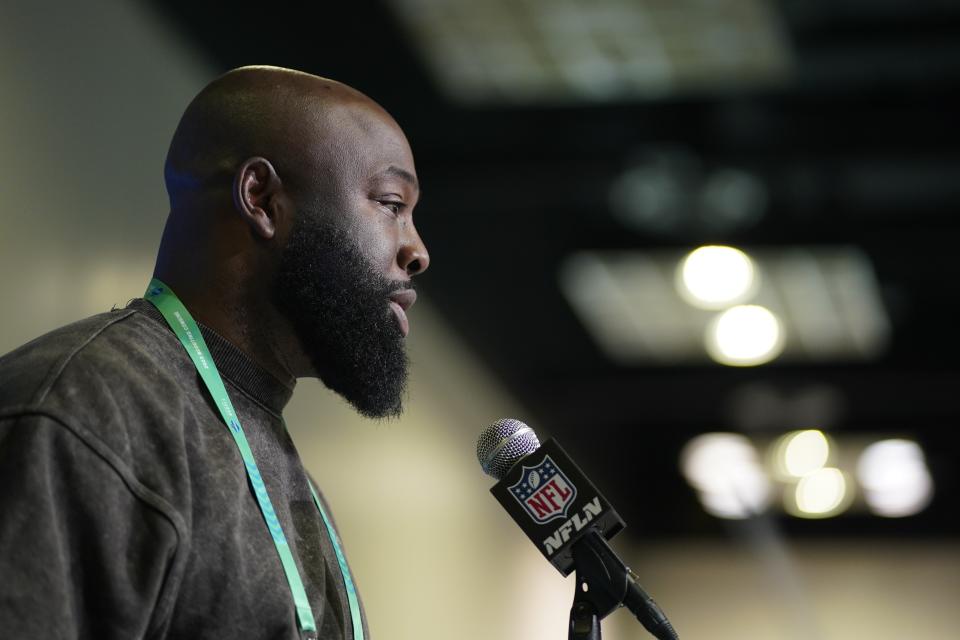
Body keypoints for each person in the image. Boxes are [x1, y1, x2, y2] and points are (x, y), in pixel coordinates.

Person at [0, 65, 429, 639]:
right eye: (391, 203)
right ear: (262, 198)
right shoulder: (84, 411)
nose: (416, 251)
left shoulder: (283, 472)